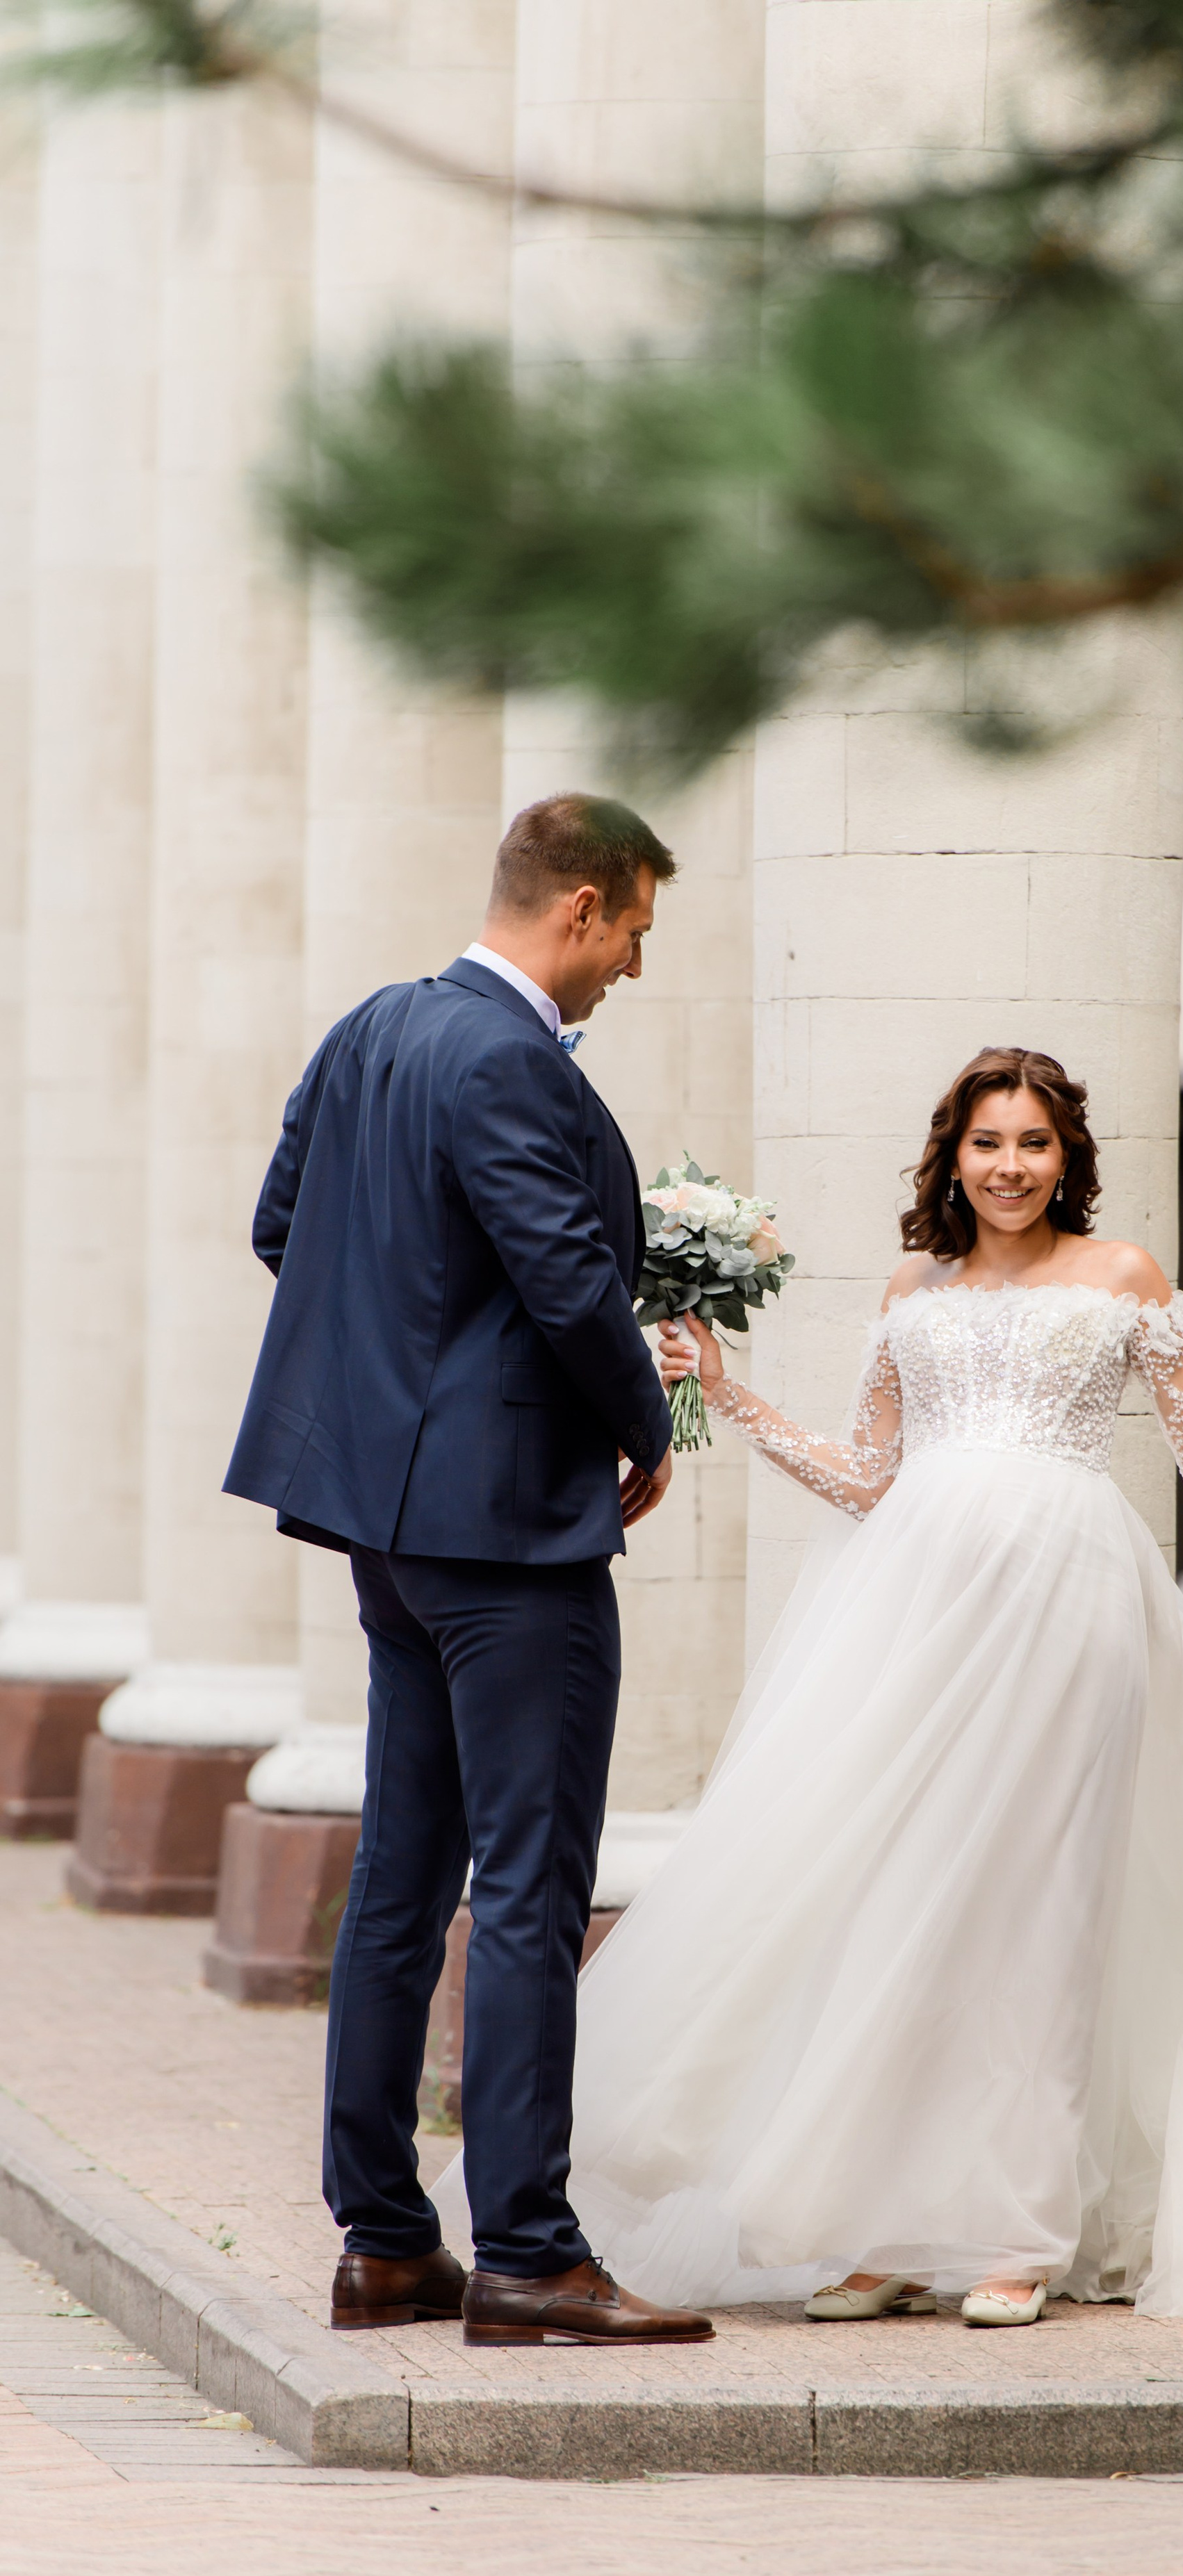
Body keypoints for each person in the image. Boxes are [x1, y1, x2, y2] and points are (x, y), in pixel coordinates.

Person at [436, 1044, 1183, 2326]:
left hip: (1073, 1610)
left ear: (1068, 1158)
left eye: (1033, 1143)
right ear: (953, 1157)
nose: (1010, 1167)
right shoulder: (912, 1285)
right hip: (924, 1618)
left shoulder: (1123, 1276)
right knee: (908, 1904)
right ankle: (886, 2228)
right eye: (989, 1143)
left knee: (1038, 1911)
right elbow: (870, 1477)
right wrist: (732, 1399)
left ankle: (1017, 2234)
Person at [225, 794, 712, 2349]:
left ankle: (382, 2242)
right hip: (505, 1533)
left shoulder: (370, 1028)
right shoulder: (507, 1057)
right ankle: (529, 2254)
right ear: (579, 907)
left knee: (402, 1876)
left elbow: (282, 1227)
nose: (634, 963)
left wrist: (404, 1373)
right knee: (527, 1887)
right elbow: (564, 1279)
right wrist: (645, 1419)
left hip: (388, 1531)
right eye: (634, 929)